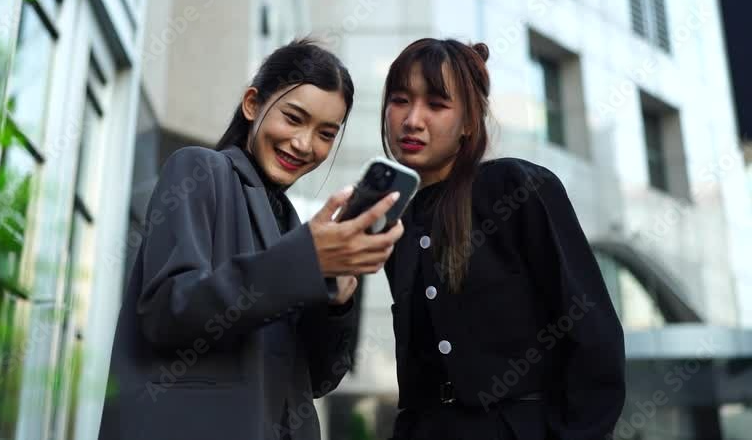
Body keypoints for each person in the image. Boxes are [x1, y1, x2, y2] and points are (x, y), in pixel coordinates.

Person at [99, 38, 406, 440]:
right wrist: (306, 261)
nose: (304, 144)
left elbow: (316, 379)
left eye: (326, 134)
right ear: (252, 104)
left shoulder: (294, 226)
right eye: (293, 118)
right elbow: (168, 312)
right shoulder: (199, 170)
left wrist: (337, 301)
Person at [379, 38, 626, 439]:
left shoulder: (516, 188)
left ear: (470, 123)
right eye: (400, 100)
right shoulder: (394, 222)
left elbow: (593, 337)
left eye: (437, 105)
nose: (412, 120)